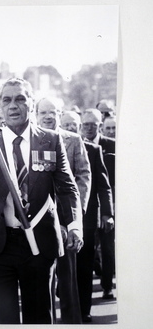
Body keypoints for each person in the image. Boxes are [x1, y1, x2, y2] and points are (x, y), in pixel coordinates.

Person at [0, 78, 83, 324]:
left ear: (31, 103)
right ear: (0, 105)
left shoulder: (49, 139)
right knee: (2, 318)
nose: (13, 106)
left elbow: (67, 187)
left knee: (38, 316)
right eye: (6, 100)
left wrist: (74, 225)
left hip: (39, 244)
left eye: (20, 99)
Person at [36, 101, 91, 324]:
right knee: (43, 280)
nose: (48, 116)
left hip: (68, 220)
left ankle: (72, 322)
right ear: (36, 115)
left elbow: (83, 178)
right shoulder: (32, 140)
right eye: (43, 112)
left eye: (53, 112)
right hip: (41, 220)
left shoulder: (73, 140)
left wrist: (74, 218)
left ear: (60, 114)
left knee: (68, 280)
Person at [61, 111, 115, 322]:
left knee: (84, 266)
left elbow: (103, 185)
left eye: (74, 125)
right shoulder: (47, 145)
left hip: (86, 217)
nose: (71, 128)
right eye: (66, 124)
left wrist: (107, 213)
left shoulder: (93, 150)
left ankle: (84, 309)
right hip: (57, 218)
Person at [81, 108, 116, 300]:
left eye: (92, 125)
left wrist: (108, 211)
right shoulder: (76, 144)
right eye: (85, 124)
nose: (88, 128)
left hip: (105, 205)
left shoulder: (111, 145)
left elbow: (108, 183)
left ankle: (107, 285)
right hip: (86, 209)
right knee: (88, 251)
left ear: (99, 126)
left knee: (108, 249)